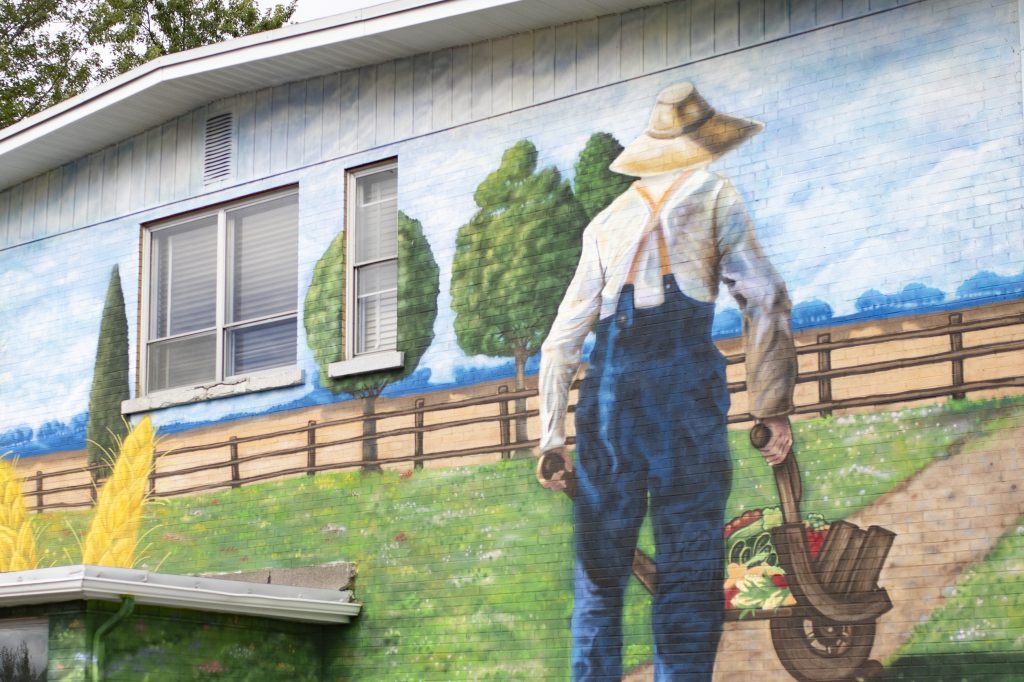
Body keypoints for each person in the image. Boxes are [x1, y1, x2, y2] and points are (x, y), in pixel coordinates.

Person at [537, 82, 797, 680]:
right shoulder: (714, 195)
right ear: (704, 141)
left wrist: (551, 436)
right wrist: (770, 405)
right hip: (683, 399)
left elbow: (562, 339)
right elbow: (765, 296)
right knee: (687, 565)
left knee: (601, 572)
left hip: (607, 406)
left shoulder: (606, 221)